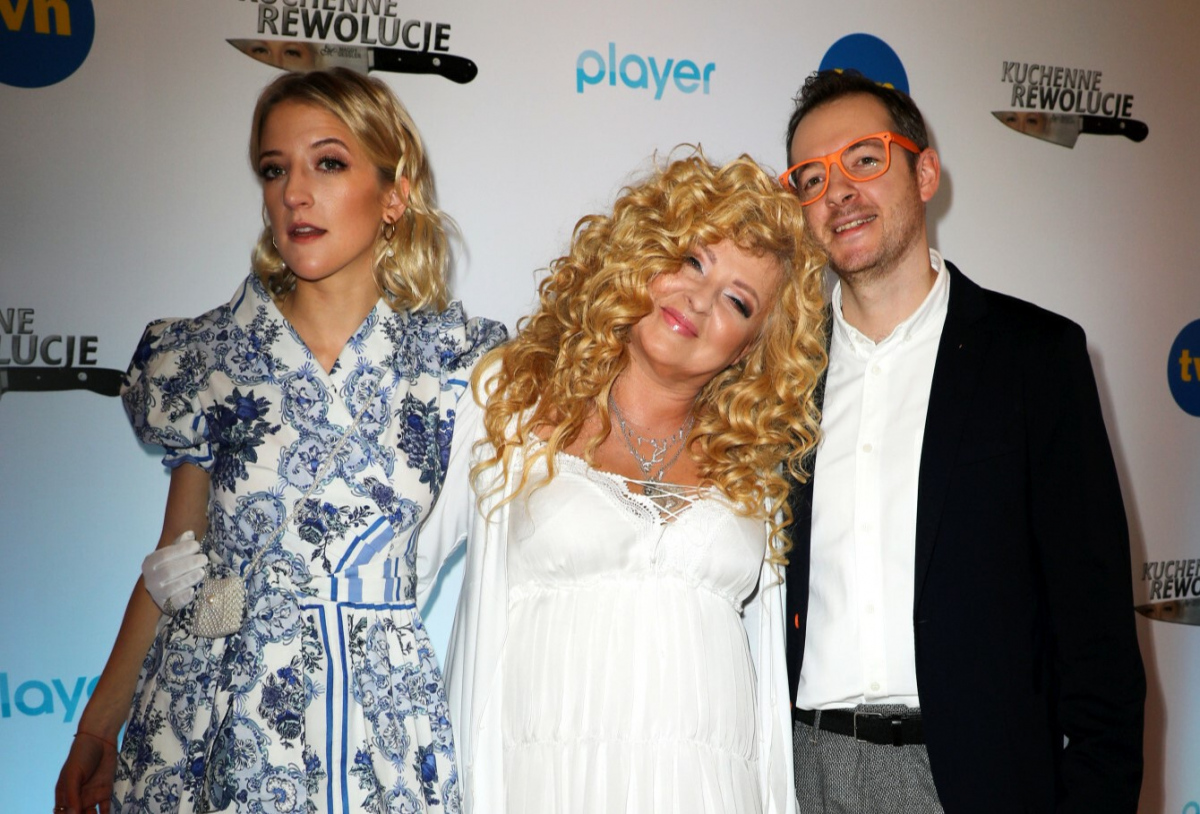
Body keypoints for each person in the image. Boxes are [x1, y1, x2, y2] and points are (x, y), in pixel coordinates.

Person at [53, 67, 505, 814]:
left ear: (394, 194)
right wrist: (99, 725)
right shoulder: (206, 355)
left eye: (328, 163)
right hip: (218, 711)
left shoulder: (458, 361)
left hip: (380, 720)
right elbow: (177, 560)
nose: (295, 192)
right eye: (275, 169)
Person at [777, 69, 1145, 813]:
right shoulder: (777, 378)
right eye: (812, 178)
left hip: (974, 778)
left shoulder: (1035, 357)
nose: (838, 190)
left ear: (925, 173)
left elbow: (1097, 636)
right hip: (801, 772)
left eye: (865, 159)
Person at [429, 152, 828, 814]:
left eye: (737, 301)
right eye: (693, 261)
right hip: (544, 787)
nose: (699, 301)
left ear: (751, 346)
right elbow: (394, 579)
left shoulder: (755, 468)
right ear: (646, 252)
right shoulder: (510, 399)